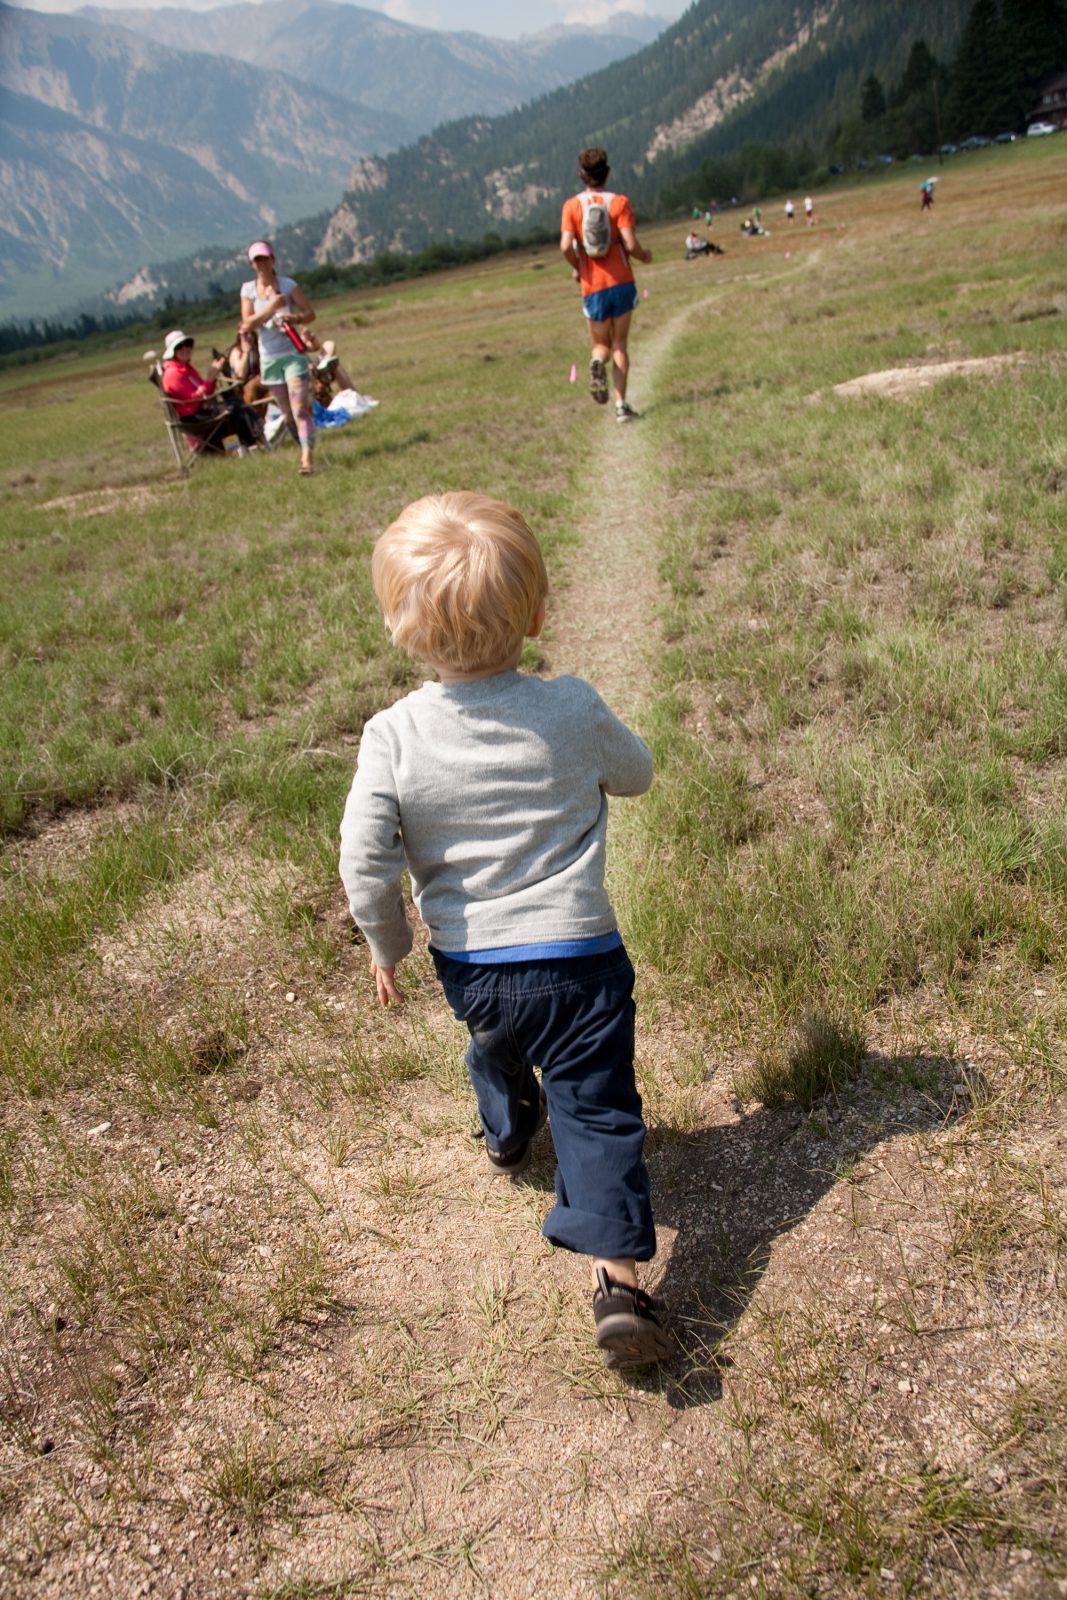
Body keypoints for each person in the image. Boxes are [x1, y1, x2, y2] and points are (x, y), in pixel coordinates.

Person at [339, 492, 673, 1371]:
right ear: (534, 613)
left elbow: (364, 861)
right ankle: (618, 1284)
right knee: (596, 1113)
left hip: (474, 965)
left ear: (397, 628)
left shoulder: (393, 737)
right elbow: (635, 774)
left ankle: (504, 1124)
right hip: (580, 959)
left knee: (495, 1035)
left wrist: (387, 945)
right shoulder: (567, 706)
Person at [560, 146, 653, 425]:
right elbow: (631, 244)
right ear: (607, 172)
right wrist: (645, 256)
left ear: (581, 175)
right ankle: (622, 406)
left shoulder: (572, 206)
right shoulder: (619, 202)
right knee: (620, 345)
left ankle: (597, 362)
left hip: (593, 286)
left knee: (600, 344)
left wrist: (579, 267)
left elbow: (565, 246)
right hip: (622, 281)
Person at [239, 241, 317, 475]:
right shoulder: (248, 291)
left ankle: (307, 458)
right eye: (257, 260)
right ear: (252, 264)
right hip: (269, 359)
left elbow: (310, 313)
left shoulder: (288, 285)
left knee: (300, 408)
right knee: (287, 413)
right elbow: (248, 323)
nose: (261, 264)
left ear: (273, 260)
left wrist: (294, 319)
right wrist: (271, 307)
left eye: (264, 259)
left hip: (292, 354)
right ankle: (304, 442)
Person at [160, 329, 259, 455]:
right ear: (172, 352)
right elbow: (194, 399)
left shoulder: (187, 368)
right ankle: (254, 437)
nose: (185, 349)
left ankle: (241, 444)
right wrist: (210, 378)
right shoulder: (173, 373)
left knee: (233, 403)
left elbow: (204, 392)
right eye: (179, 347)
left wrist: (212, 378)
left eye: (188, 344)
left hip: (201, 410)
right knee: (233, 406)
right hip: (194, 417)